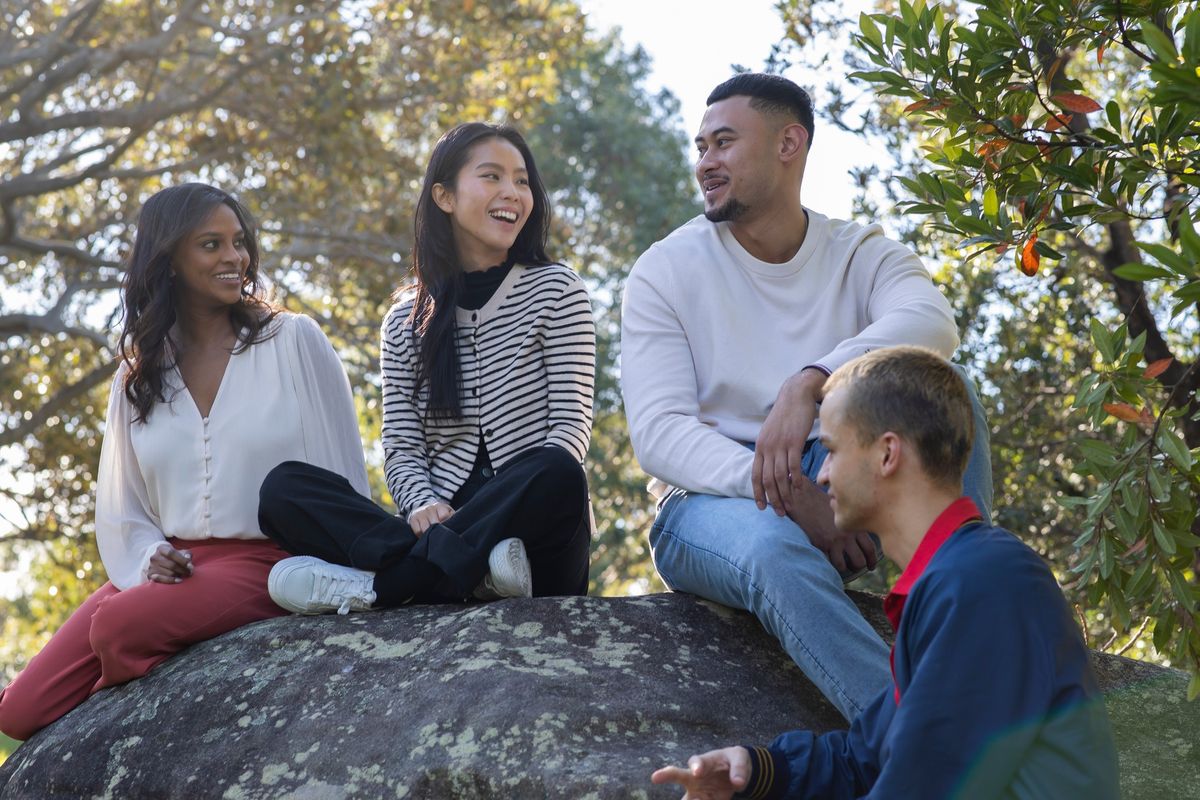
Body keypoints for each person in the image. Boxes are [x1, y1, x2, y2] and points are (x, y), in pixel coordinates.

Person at [620, 72, 994, 722]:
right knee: (772, 548)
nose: (706, 162)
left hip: (840, 479)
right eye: (701, 146)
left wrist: (812, 381)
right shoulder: (665, 269)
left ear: (788, 143)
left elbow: (934, 324)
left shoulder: (858, 251)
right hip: (710, 506)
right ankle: (918, 738)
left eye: (724, 143)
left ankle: (971, 631)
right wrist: (785, 495)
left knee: (948, 389)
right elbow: (658, 435)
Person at [651, 346, 1119, 800]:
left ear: (887, 455)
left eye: (831, 450)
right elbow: (869, 755)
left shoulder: (984, 584)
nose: (821, 476)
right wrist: (757, 771)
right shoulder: (952, 583)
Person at [0, 183, 369, 741]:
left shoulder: (294, 341)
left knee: (120, 627)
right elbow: (126, 508)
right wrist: (152, 555)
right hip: (177, 567)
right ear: (168, 260)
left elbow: (342, 474)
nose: (234, 258)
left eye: (239, 242)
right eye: (211, 244)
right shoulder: (139, 375)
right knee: (18, 711)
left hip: (273, 559)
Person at [259, 122, 595, 614]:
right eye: (492, 177)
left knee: (560, 470)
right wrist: (421, 504)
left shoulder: (558, 290)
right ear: (444, 196)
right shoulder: (404, 320)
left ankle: (389, 587)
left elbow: (569, 428)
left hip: (532, 534)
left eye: (522, 181)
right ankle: (470, 573)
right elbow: (401, 446)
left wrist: (490, 514)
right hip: (438, 523)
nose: (513, 193)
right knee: (284, 488)